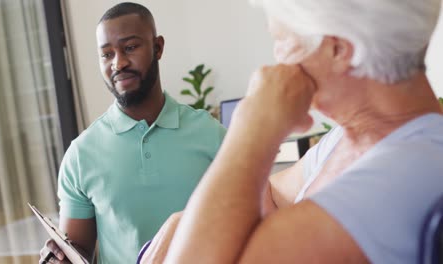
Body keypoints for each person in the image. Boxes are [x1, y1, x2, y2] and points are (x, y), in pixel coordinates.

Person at [140, 0, 443, 263]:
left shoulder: (401, 174)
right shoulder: (346, 139)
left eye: (282, 40)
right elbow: (271, 193)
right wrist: (182, 220)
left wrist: (254, 125)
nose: (277, 59)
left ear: (338, 49)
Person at [38, 2, 226, 263]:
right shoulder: (81, 155)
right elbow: (77, 250)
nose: (119, 63)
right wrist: (59, 257)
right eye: (106, 54)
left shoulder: (211, 135)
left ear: (158, 47)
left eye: (130, 47)